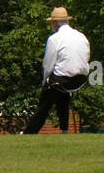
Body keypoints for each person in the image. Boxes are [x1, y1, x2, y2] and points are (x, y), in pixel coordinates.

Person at [22, 7, 90, 135]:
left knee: (44, 103)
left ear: (54, 23)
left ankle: (29, 132)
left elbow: (48, 65)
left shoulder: (54, 39)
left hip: (62, 79)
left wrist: (45, 81)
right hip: (80, 79)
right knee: (61, 92)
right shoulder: (81, 36)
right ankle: (64, 129)